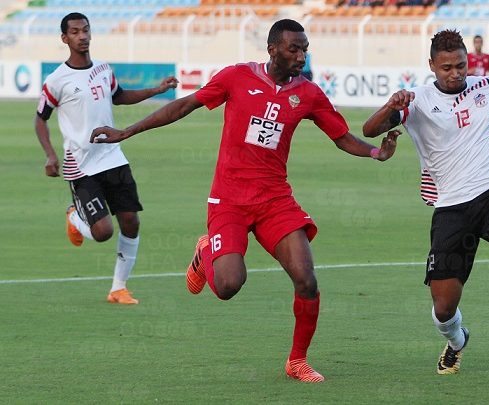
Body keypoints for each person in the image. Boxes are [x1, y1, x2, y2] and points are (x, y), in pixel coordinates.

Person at [90, 19, 399, 382]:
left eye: (304, 49)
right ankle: (205, 250)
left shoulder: (309, 94)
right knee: (227, 286)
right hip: (230, 199)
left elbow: (341, 136)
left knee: (307, 280)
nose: (301, 56)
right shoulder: (237, 76)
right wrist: (127, 131)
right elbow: (184, 105)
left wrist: (376, 152)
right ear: (272, 49)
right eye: (294, 49)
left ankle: (297, 361)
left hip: (275, 201)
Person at [363, 29, 489, 375]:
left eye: (460, 66)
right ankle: (457, 341)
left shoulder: (488, 87)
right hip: (451, 205)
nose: (455, 74)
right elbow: (369, 130)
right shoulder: (417, 101)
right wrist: (391, 106)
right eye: (446, 68)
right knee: (443, 308)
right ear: (431, 65)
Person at [34, 12, 178, 304]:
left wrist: (157, 90)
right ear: (64, 38)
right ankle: (74, 217)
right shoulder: (56, 80)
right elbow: (40, 119)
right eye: (75, 32)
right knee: (102, 232)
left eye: (86, 30)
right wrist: (50, 155)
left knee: (131, 222)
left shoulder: (103, 68)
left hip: (113, 156)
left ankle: (118, 288)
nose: (82, 36)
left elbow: (119, 96)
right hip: (81, 165)